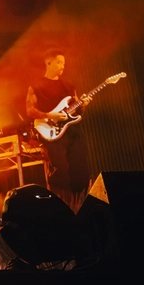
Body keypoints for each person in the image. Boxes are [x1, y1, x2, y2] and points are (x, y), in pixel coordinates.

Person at [25, 49, 92, 212]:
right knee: (59, 172)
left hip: (73, 133)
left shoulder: (69, 86)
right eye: (59, 62)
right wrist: (49, 115)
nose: (63, 66)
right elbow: (29, 110)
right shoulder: (37, 87)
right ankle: (60, 209)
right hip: (52, 134)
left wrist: (83, 104)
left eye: (64, 63)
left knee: (80, 169)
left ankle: (82, 207)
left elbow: (77, 110)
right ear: (48, 63)